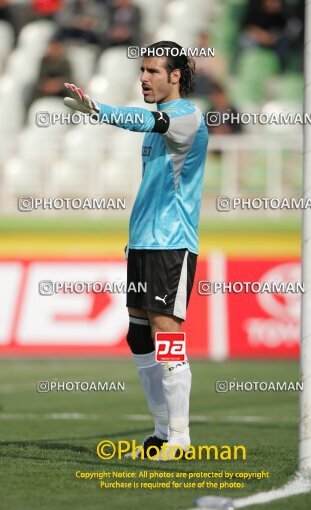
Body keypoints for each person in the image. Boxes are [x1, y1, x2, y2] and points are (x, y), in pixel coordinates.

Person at [63, 41, 208, 460]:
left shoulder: (187, 117)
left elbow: (145, 122)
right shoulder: (162, 120)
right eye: (141, 70)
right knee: (138, 335)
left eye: (152, 71)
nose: (143, 78)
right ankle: (160, 434)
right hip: (142, 244)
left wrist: (98, 110)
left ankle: (180, 438)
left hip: (171, 244)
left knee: (166, 332)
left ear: (175, 76)